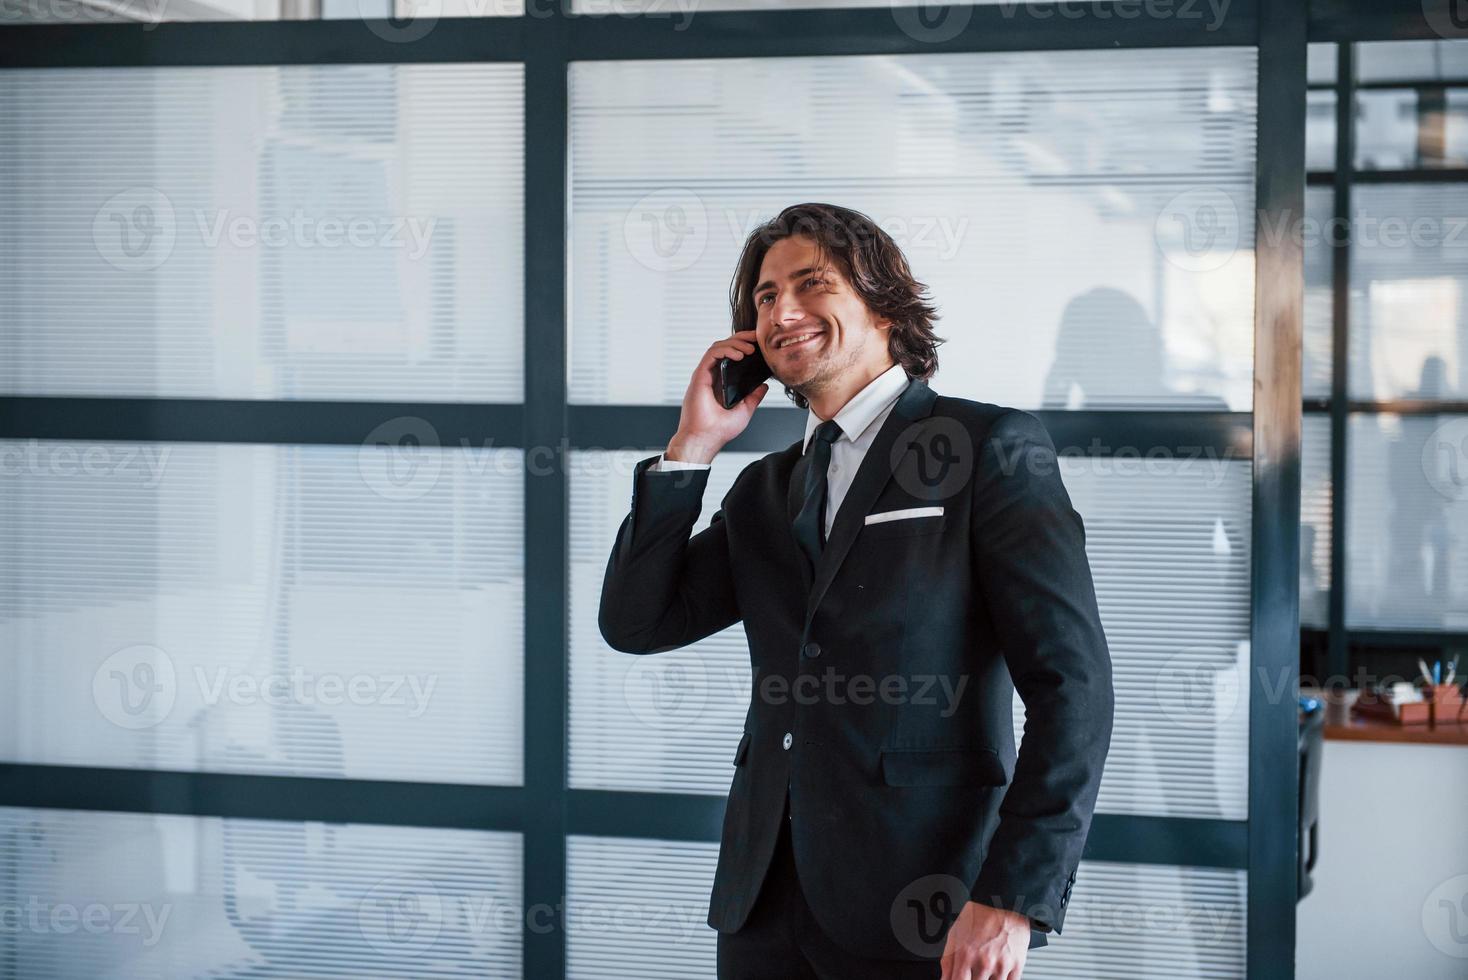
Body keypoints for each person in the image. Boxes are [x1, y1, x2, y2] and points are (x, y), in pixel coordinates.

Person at [599, 202, 1114, 980]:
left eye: (812, 285)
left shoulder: (990, 448)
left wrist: (1012, 895)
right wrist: (692, 448)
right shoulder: (766, 491)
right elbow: (637, 622)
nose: (783, 311)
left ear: (883, 302)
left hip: (928, 903)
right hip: (762, 903)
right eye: (765, 297)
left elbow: (1072, 687)